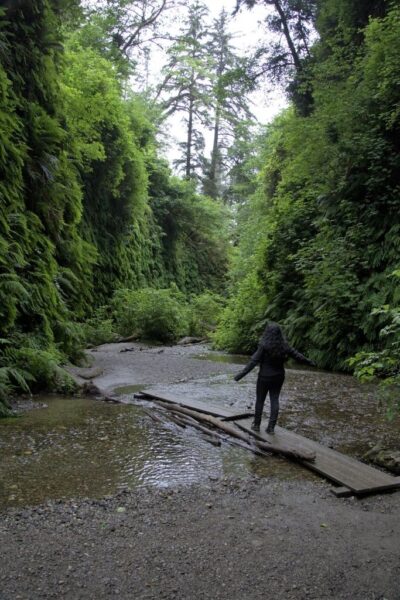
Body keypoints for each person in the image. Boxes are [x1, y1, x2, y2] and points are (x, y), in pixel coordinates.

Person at [234, 322, 315, 434]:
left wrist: (239, 376)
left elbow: (253, 362)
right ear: (279, 333)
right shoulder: (284, 345)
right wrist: (310, 362)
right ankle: (271, 428)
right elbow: (298, 356)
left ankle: (256, 425)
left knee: (260, 400)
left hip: (264, 377)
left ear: (267, 333)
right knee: (274, 400)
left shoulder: (264, 345)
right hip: (278, 377)